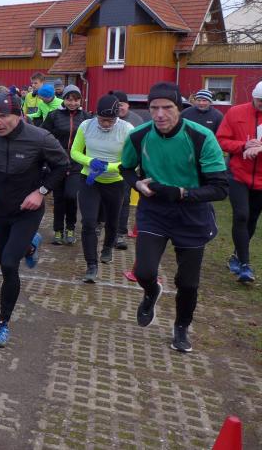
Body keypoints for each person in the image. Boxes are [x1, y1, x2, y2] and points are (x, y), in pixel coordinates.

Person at [121, 82, 228, 353]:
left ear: (179, 108)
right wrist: (137, 184)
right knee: (143, 271)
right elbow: (126, 169)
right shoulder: (139, 135)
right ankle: (151, 291)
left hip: (192, 214)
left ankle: (181, 327)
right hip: (154, 210)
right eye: (154, 108)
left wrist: (183, 193)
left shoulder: (201, 136)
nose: (160, 114)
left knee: (187, 283)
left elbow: (220, 188)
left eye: (167, 108)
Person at [0, 92, 68, 347]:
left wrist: (41, 192)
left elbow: (62, 165)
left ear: (19, 115)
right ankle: (30, 245)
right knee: (6, 262)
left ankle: (2, 323)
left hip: (27, 210)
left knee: (10, 264)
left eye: (4, 116)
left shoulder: (40, 138)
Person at [71, 95, 134, 282]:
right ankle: (91, 265)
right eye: (102, 120)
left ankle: (107, 247)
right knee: (89, 222)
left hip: (115, 182)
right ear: (96, 115)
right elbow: (75, 152)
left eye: (110, 121)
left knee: (112, 221)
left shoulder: (127, 129)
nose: (106, 124)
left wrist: (108, 167)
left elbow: (132, 161)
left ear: (117, 117)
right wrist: (90, 161)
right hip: (90, 181)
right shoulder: (86, 126)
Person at [216, 80, 262, 283]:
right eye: (260, 101)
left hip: (261, 180)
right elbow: (221, 140)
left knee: (252, 219)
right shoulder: (235, 113)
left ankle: (236, 255)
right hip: (238, 174)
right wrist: (243, 146)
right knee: (241, 215)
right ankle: (245, 265)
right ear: (253, 97)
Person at [42, 85, 89, 245]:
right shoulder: (53, 115)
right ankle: (58, 230)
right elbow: (45, 137)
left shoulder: (86, 117)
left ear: (80, 100)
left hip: (76, 164)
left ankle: (70, 227)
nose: (72, 103)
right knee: (59, 198)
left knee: (71, 196)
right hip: (57, 163)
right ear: (64, 99)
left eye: (76, 100)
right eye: (69, 99)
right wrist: (46, 160)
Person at [110, 90, 144, 250]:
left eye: (121, 104)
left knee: (124, 201)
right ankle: (100, 227)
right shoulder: (106, 117)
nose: (119, 108)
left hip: (127, 167)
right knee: (104, 200)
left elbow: (142, 144)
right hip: (106, 166)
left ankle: (120, 233)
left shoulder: (136, 120)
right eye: (116, 105)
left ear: (128, 105)